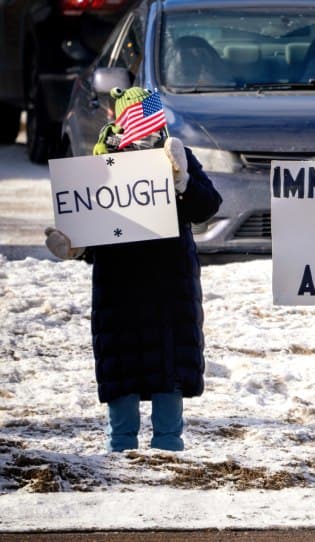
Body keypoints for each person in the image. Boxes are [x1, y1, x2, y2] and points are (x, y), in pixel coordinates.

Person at [44, 87, 222, 453]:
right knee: (122, 370)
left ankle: (169, 448)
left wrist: (183, 181)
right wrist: (73, 246)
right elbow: (89, 229)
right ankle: (120, 450)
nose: (150, 130)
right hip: (118, 289)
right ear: (118, 121)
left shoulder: (176, 155)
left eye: (155, 121)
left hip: (170, 287)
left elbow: (207, 207)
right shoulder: (99, 164)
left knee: (169, 369)